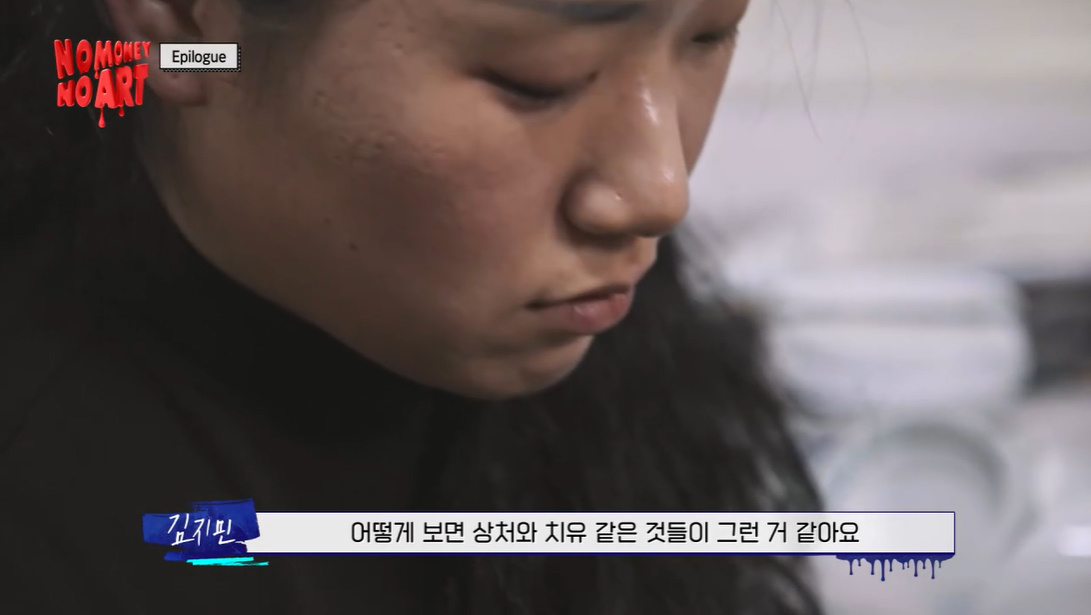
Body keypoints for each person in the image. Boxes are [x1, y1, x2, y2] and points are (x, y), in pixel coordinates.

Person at [0, 0, 822, 613]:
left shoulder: (561, 279)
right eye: (538, 81)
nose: (660, 191)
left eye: (708, 36)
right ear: (184, 19)